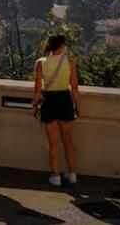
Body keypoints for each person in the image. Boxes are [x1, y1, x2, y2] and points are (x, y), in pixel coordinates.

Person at [32, 34, 80, 187]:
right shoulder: (70, 61)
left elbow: (38, 88)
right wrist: (77, 106)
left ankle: (56, 176)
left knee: (53, 143)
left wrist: (34, 104)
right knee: (68, 140)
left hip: (49, 100)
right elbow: (74, 87)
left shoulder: (40, 62)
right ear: (61, 46)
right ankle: (72, 174)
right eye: (65, 44)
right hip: (65, 99)